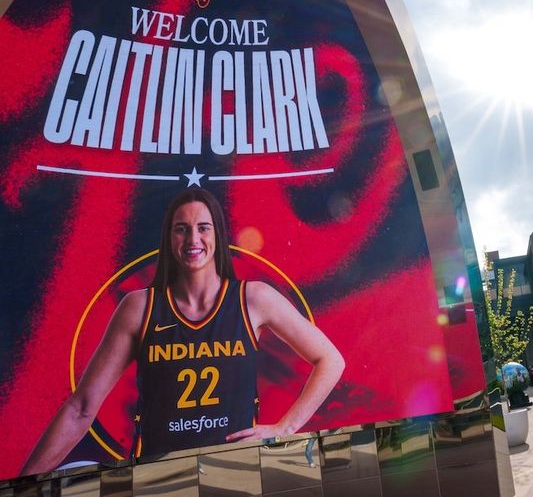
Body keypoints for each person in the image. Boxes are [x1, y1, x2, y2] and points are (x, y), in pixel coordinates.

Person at [21, 188, 345, 473]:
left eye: (203, 228)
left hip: (238, 471)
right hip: (159, 475)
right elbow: (81, 408)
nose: (193, 239)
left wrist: (286, 427)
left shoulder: (254, 299)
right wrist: (23, 481)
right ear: (169, 237)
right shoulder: (139, 308)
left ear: (217, 234)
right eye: (182, 229)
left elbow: (330, 360)